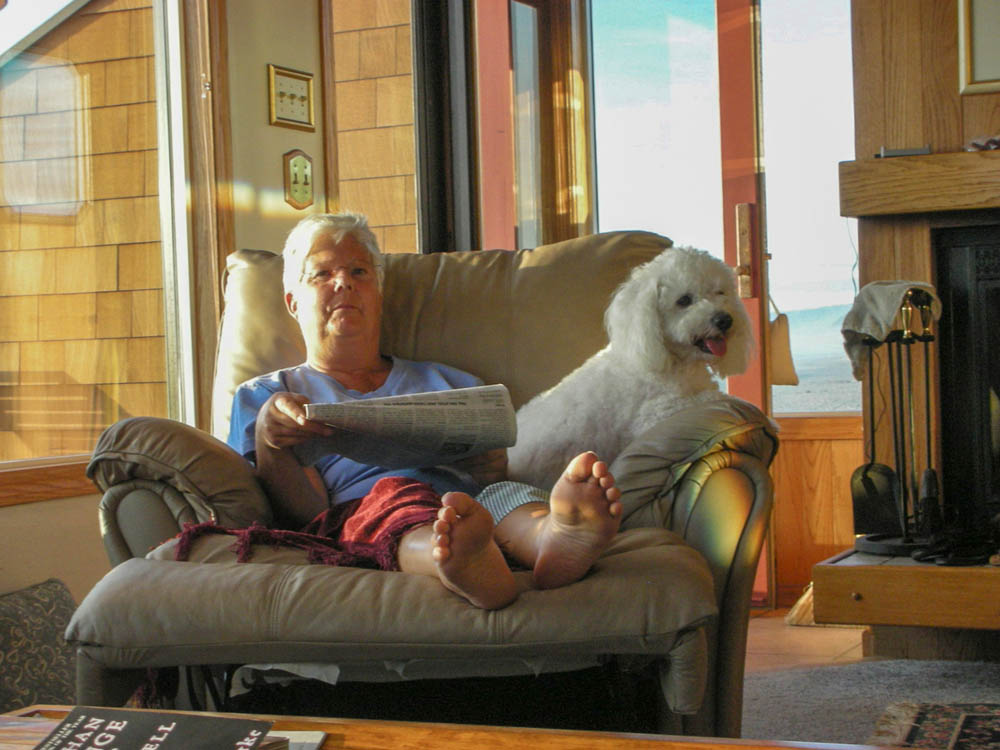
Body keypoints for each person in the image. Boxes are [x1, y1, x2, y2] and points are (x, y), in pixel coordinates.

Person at [228, 212, 622, 610]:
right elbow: (304, 512)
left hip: (467, 504)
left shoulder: (452, 382)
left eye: (359, 271)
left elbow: (488, 477)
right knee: (402, 501)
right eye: (321, 274)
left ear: (378, 295)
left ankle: (553, 538)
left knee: (504, 494)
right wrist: (270, 440)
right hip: (366, 511)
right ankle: (454, 558)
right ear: (293, 302)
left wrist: (488, 467)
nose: (343, 282)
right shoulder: (267, 396)